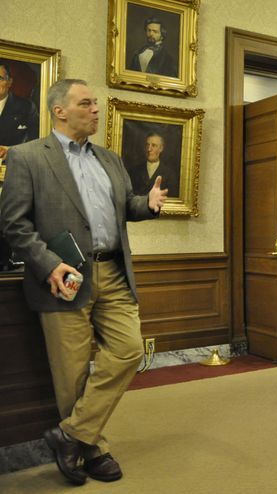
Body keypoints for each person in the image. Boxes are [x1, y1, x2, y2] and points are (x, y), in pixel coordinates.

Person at [0, 79, 168, 485]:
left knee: (129, 351)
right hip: (64, 277)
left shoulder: (110, 159)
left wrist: (145, 205)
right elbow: (13, 222)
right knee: (71, 372)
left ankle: (70, 434)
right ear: (60, 110)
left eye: (96, 103)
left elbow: (123, 206)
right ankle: (92, 449)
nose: (96, 110)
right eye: (87, 103)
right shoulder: (27, 157)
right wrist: (48, 264)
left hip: (113, 272)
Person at [0, 62, 39, 160]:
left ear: (9, 82)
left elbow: (36, 141)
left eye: (0, 78)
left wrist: (10, 151)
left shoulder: (27, 107)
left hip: (14, 167)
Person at [128, 132, 180, 196]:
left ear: (161, 148)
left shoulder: (170, 174)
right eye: (147, 145)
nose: (149, 149)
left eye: (153, 145)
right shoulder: (134, 171)